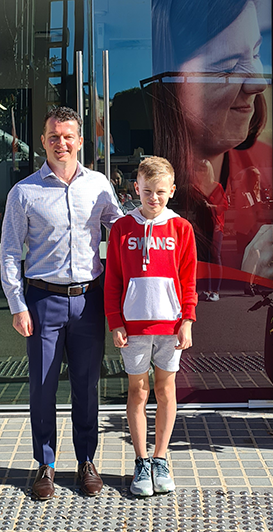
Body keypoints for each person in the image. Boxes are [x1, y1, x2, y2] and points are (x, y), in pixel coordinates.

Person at [149, 0, 273, 383]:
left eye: (257, 52)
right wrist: (247, 286)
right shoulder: (146, 195)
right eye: (228, 66)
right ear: (169, 82)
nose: (258, 82)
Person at [0, 107, 123, 501]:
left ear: (80, 141)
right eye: (54, 136)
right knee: (43, 388)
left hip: (88, 301)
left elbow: (121, 232)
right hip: (42, 301)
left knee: (87, 387)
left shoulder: (99, 185)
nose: (61, 142)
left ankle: (86, 460)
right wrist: (17, 304)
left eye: (68, 136)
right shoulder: (24, 192)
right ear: (43, 140)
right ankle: (46, 464)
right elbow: (8, 253)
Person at [105, 156, 197, 497]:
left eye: (160, 191)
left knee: (165, 390)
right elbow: (113, 280)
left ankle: (161, 458)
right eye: (147, 191)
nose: (153, 198)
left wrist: (186, 321)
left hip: (170, 326)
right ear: (136, 189)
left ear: (171, 191)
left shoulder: (181, 229)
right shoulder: (122, 228)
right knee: (138, 392)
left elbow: (188, 280)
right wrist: (116, 322)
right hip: (134, 327)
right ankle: (141, 461)